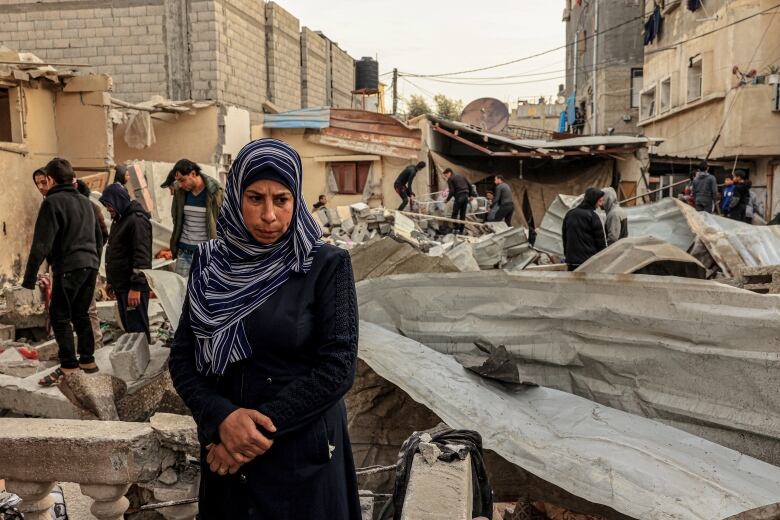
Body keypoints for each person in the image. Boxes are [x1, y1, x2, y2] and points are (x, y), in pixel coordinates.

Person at [168, 139, 361, 519]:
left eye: (282, 199)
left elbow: (338, 368)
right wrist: (222, 417)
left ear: (296, 200)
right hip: (227, 458)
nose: (269, 215)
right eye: (255, 198)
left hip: (301, 457)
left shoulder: (326, 265)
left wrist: (250, 436)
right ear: (236, 196)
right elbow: (182, 358)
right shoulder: (209, 264)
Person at [22, 158, 102, 386]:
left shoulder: (52, 202)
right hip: (90, 265)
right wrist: (94, 264)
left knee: (60, 316)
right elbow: (98, 238)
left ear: (50, 179)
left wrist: (28, 280)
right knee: (81, 314)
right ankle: (88, 362)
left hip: (68, 267)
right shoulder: (86, 202)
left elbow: (41, 243)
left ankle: (68, 366)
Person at [99, 184, 153, 342]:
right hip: (122, 285)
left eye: (109, 205)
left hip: (132, 287)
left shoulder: (137, 221)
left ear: (118, 201)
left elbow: (142, 257)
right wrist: (111, 282)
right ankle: (134, 363)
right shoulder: (120, 220)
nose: (108, 209)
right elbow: (116, 253)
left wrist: (136, 287)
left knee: (137, 329)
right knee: (130, 327)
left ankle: (142, 364)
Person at [166, 159, 224, 279]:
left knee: (204, 293)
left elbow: (224, 222)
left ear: (193, 174)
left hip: (206, 254)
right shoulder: (180, 193)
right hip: (184, 254)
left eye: (182, 180)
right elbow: (175, 217)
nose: (181, 184)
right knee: (182, 292)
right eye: (178, 181)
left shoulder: (215, 192)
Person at [562, 188, 608, 271]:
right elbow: (600, 242)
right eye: (600, 201)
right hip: (588, 262)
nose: (601, 204)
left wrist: (567, 255)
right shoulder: (593, 216)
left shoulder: (570, 213)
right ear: (593, 200)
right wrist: (603, 260)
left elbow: (565, 237)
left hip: (572, 262)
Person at [443, 168, 470, 234]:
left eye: (446, 175)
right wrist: (471, 195)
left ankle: (456, 228)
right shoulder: (462, 176)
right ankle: (461, 230)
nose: (446, 177)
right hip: (466, 196)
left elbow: (452, 191)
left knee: (454, 215)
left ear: (449, 173)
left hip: (459, 197)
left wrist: (447, 199)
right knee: (462, 214)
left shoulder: (450, 179)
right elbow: (470, 186)